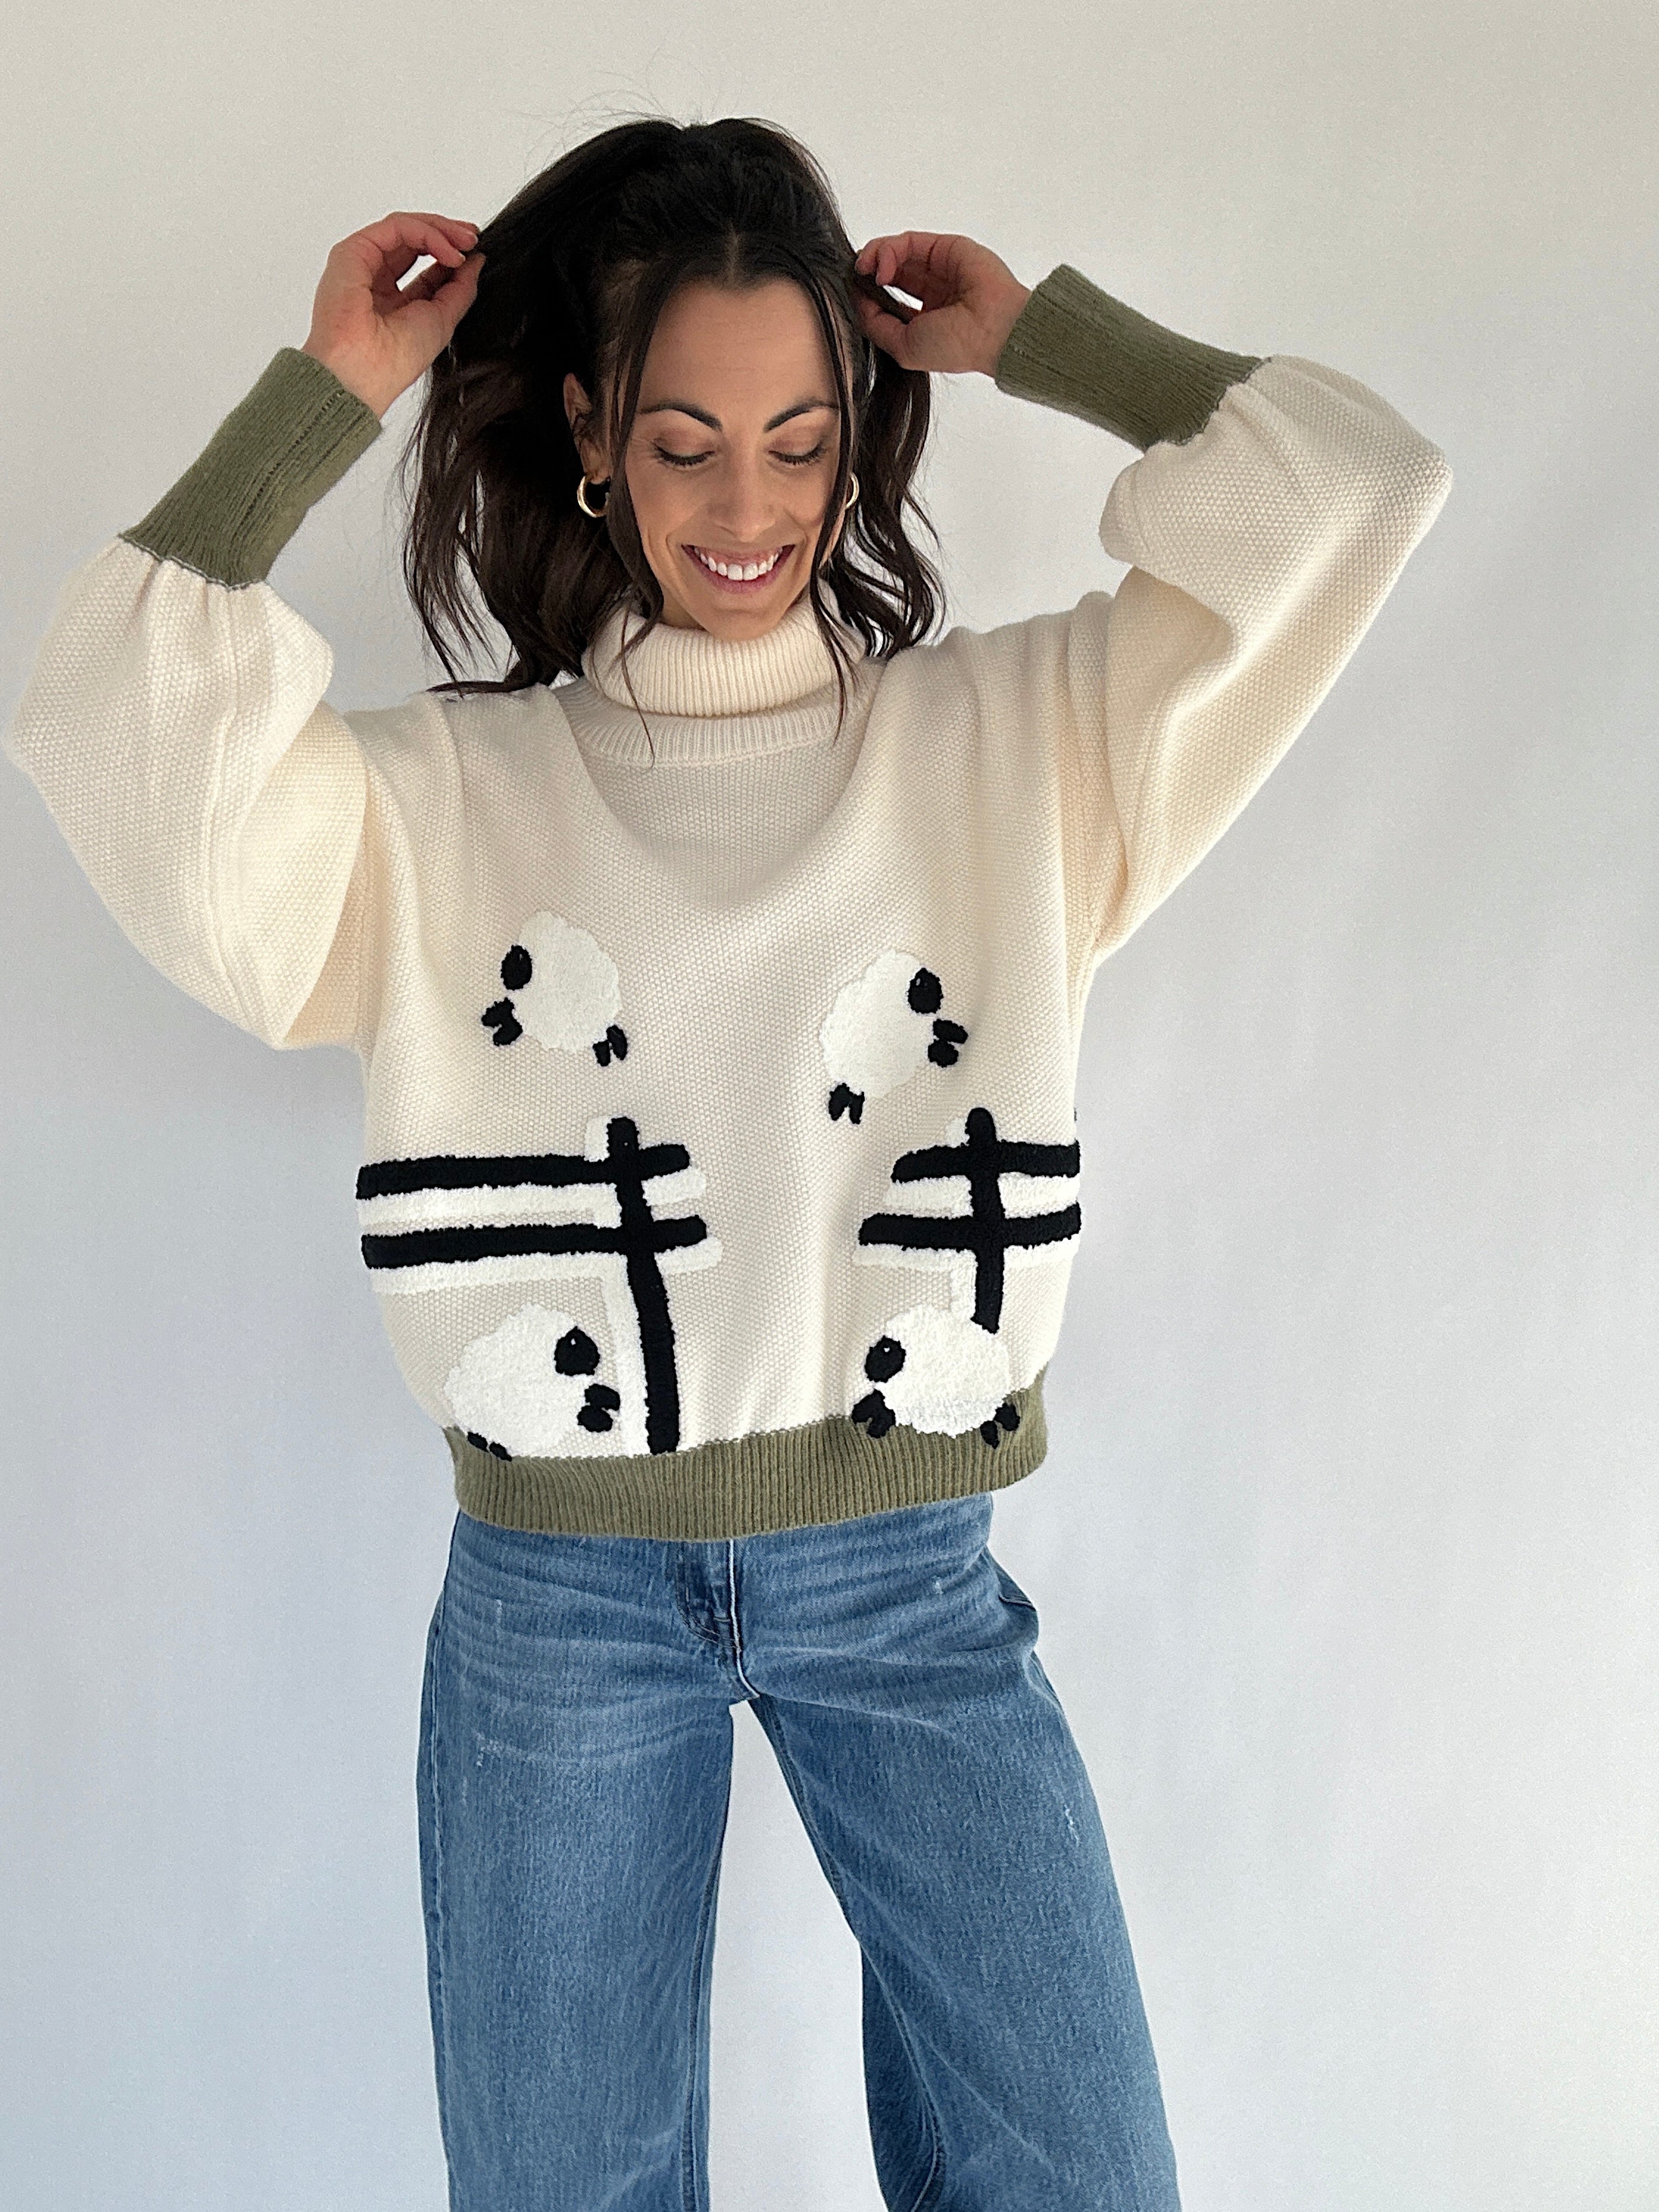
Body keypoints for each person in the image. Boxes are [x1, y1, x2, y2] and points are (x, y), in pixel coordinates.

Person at [3, 114, 1450, 2211]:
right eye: (685, 441)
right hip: (559, 1604)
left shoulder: (1012, 754)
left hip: (907, 1580)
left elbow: (1354, 491)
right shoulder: (439, 806)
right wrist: (324, 396)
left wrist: (1049, 339)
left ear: (862, 436)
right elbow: (107, 722)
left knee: (1084, 2174)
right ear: (591, 436)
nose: (749, 504)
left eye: (800, 438)